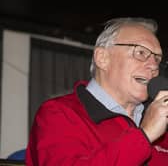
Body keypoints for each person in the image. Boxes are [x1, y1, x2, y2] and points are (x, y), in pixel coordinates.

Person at [26, 17, 168, 166]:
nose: (153, 66)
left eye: (157, 59)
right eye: (140, 53)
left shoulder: (162, 122)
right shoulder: (58, 113)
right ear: (102, 58)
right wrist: (144, 135)